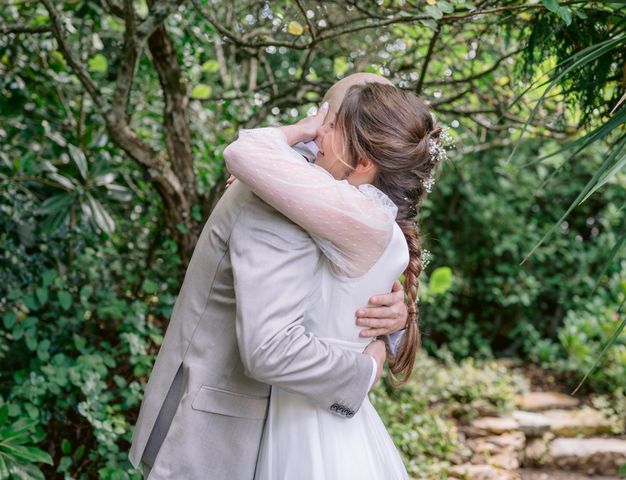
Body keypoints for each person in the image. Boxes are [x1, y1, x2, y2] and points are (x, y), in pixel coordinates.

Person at [128, 74, 410, 478]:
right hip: (216, 434)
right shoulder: (281, 192)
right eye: (322, 123)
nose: (318, 135)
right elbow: (271, 347)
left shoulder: (345, 208)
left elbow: (343, 294)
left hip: (285, 428)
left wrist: (393, 323)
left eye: (329, 125)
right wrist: (365, 370)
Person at [224, 77, 443, 479]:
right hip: (314, 417)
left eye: (331, 121)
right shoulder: (371, 215)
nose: (317, 129)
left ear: (363, 162)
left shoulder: (356, 214)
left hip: (308, 423)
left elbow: (245, 151)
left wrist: (274, 157)